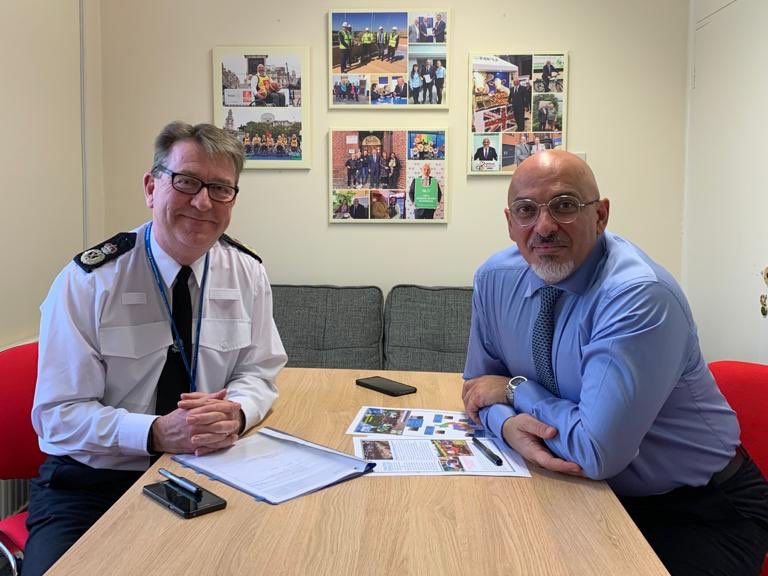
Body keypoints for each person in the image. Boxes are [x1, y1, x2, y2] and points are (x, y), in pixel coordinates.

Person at [461, 150, 768, 576]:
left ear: (601, 215)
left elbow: (595, 451)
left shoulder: (638, 296)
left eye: (565, 206)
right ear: (510, 222)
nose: (544, 227)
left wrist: (516, 392)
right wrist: (508, 426)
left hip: (699, 511)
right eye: (526, 211)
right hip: (583, 492)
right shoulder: (494, 279)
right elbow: (477, 386)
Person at [24, 122, 288, 576]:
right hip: (93, 484)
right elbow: (57, 415)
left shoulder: (247, 273)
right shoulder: (89, 281)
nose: (203, 202)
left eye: (221, 189)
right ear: (152, 187)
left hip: (211, 472)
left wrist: (238, 411)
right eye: (186, 182)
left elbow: (260, 372)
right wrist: (153, 433)